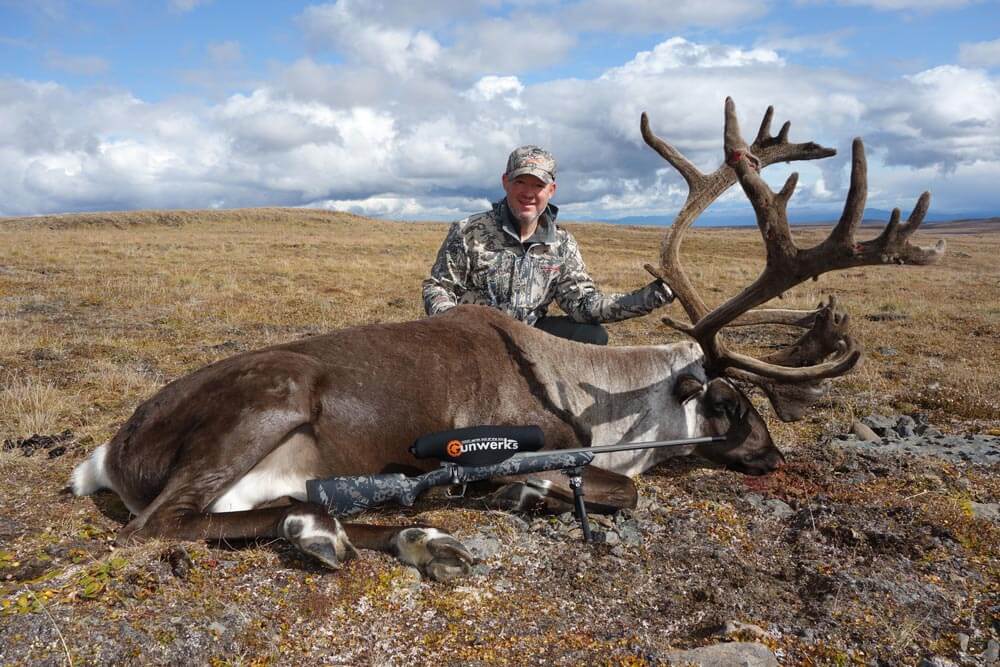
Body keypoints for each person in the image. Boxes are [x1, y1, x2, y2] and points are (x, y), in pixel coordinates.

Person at [422, 145, 674, 345]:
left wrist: (654, 295)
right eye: (520, 182)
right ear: (505, 182)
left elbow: (584, 306)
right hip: (472, 336)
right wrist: (452, 327)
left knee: (593, 337)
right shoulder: (469, 231)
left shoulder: (562, 244)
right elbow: (438, 287)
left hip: (528, 337)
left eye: (538, 185)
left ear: (551, 190)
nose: (528, 192)